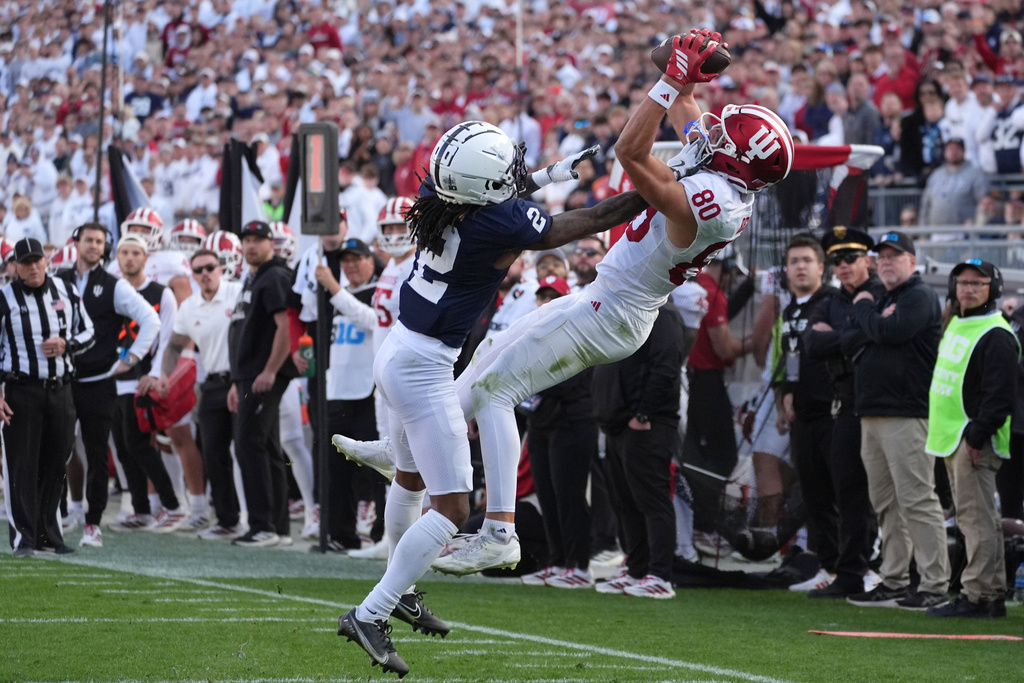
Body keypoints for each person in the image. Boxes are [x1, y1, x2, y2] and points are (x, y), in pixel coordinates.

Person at [334, 119, 644, 677]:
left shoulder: (438, 194)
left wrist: (549, 174)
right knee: (452, 508)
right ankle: (371, 610)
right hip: (426, 369)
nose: (514, 173)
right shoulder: (499, 221)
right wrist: (659, 186)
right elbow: (593, 218)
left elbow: (497, 189)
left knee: (409, 480)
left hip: (401, 348)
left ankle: (399, 590)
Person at [843, 231, 951, 610]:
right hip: (873, 411)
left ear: (913, 260)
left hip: (907, 413)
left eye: (895, 255)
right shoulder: (888, 298)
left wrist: (864, 308)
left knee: (917, 500)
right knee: (886, 503)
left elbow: (887, 331)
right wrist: (873, 317)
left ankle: (935, 584)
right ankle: (893, 579)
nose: (887, 261)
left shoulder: (918, 295)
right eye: (882, 256)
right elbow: (854, 339)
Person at [59, 224, 161, 548]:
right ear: (76, 243)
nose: (93, 245)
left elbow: (151, 320)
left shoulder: (115, 286)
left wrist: (130, 359)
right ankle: (56, 515)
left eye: (99, 241)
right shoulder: (57, 280)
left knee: (97, 453)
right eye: (88, 239)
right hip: (61, 380)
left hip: (98, 382)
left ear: (105, 247)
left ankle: (93, 524)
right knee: (56, 450)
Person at [925, 260, 1017, 619]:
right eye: (962, 282)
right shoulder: (961, 322)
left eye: (977, 284)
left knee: (977, 520)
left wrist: (977, 437)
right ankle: (988, 594)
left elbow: (1000, 396)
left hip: (973, 439)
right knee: (975, 519)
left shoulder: (996, 333)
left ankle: (977, 595)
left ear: (992, 289)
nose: (967, 289)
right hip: (955, 436)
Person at [802, 227, 884, 598]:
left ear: (867, 259)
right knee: (846, 489)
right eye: (836, 260)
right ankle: (850, 571)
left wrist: (841, 334)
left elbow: (877, 334)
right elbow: (812, 344)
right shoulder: (831, 300)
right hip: (845, 401)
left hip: (880, 400)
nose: (843, 266)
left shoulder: (882, 295)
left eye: (850, 258)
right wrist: (855, 331)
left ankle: (884, 569)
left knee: (884, 493)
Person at [2, 237, 94, 556]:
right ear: (16, 266)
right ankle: (23, 538)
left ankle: (48, 535)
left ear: (46, 260)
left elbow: (89, 332)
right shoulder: (5, 297)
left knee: (57, 463)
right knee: (22, 465)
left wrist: (67, 344)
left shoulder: (66, 291)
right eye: (25, 262)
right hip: (21, 389)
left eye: (37, 260)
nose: (32, 267)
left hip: (61, 388)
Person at [592, 300, 687, 598]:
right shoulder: (622, 309)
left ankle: (660, 575)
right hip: (617, 422)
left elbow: (666, 366)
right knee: (625, 502)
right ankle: (637, 569)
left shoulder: (663, 313)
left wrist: (643, 414)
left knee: (651, 500)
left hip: (645, 424)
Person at [516, 275, 600, 589]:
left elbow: (569, 382)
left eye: (553, 296)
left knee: (569, 496)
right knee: (548, 496)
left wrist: (532, 380)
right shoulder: (531, 334)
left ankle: (578, 565)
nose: (546, 302)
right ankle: (557, 560)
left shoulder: (578, 333)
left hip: (572, 422)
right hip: (541, 423)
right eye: (542, 296)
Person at [162, 248, 247, 540]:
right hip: (212, 381)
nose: (205, 274)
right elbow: (174, 345)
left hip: (242, 379)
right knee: (213, 453)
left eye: (210, 267)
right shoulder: (190, 306)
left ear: (221, 268)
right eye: (198, 271)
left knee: (249, 451)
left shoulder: (238, 292)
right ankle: (227, 520)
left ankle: (262, 521)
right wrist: (165, 377)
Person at [106, 234, 188, 534]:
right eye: (124, 253)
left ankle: (173, 504)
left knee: (139, 444)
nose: (129, 258)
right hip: (116, 376)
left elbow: (167, 336)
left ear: (145, 257)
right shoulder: (114, 291)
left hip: (142, 377)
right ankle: (141, 509)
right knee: (124, 447)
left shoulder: (160, 292)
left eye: (135, 253)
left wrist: (156, 373)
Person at [773, 234, 840, 591]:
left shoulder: (832, 302)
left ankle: (860, 564)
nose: (799, 266)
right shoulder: (789, 310)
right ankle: (828, 567)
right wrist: (785, 396)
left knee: (841, 491)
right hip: (802, 416)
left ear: (821, 267)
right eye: (793, 261)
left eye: (806, 260)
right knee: (814, 495)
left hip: (832, 411)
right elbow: (790, 361)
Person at [227, 220, 298, 547]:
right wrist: (236, 380)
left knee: (249, 443)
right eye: (247, 240)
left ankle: (263, 525)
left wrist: (270, 371)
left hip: (262, 376)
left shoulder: (274, 276)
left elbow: (286, 327)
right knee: (267, 446)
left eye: (258, 240)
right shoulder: (256, 276)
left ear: (272, 244)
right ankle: (278, 528)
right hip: (249, 376)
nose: (251, 245)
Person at [917, 138, 989, 228]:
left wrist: (977, 226)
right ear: (945, 153)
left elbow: (985, 204)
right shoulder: (936, 175)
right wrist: (923, 232)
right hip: (936, 233)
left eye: (957, 149)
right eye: (950, 149)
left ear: (964, 151)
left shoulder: (975, 173)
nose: (953, 152)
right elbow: (925, 205)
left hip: (964, 234)